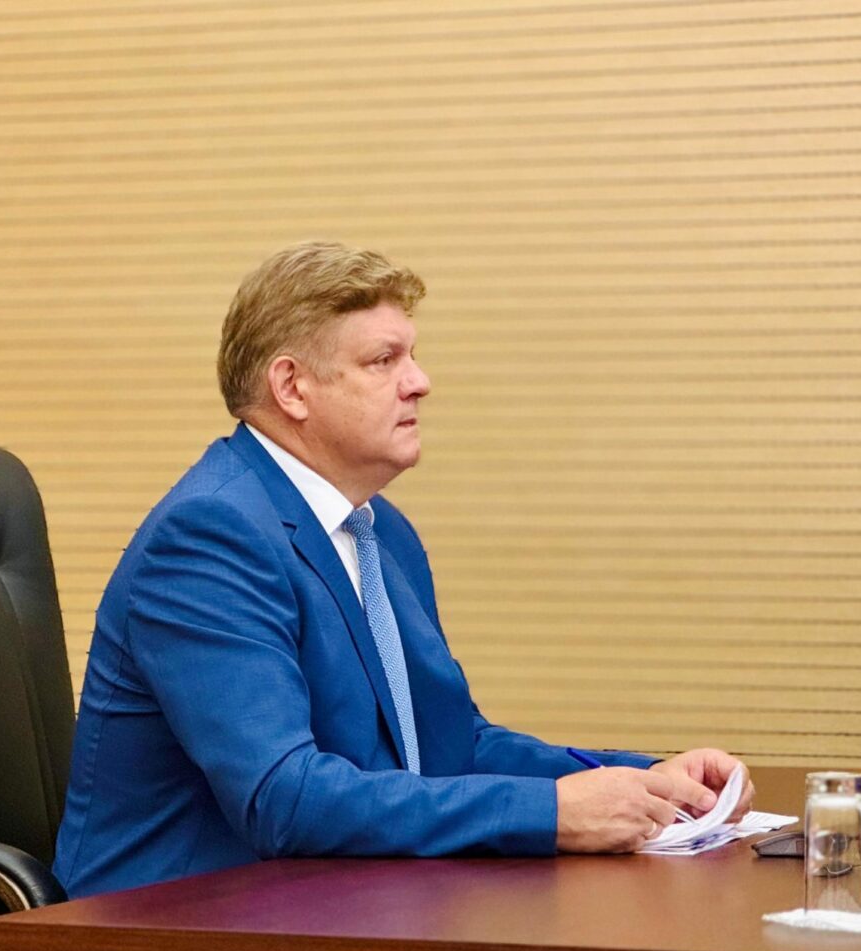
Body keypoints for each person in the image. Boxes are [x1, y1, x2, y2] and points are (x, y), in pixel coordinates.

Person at [51, 241, 752, 899]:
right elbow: (283, 798)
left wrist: (644, 781)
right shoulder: (210, 536)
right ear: (292, 387)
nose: (420, 383)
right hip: (171, 929)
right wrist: (550, 812)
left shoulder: (378, 527)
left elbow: (451, 746)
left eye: (411, 357)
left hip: (333, 906)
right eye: (383, 360)